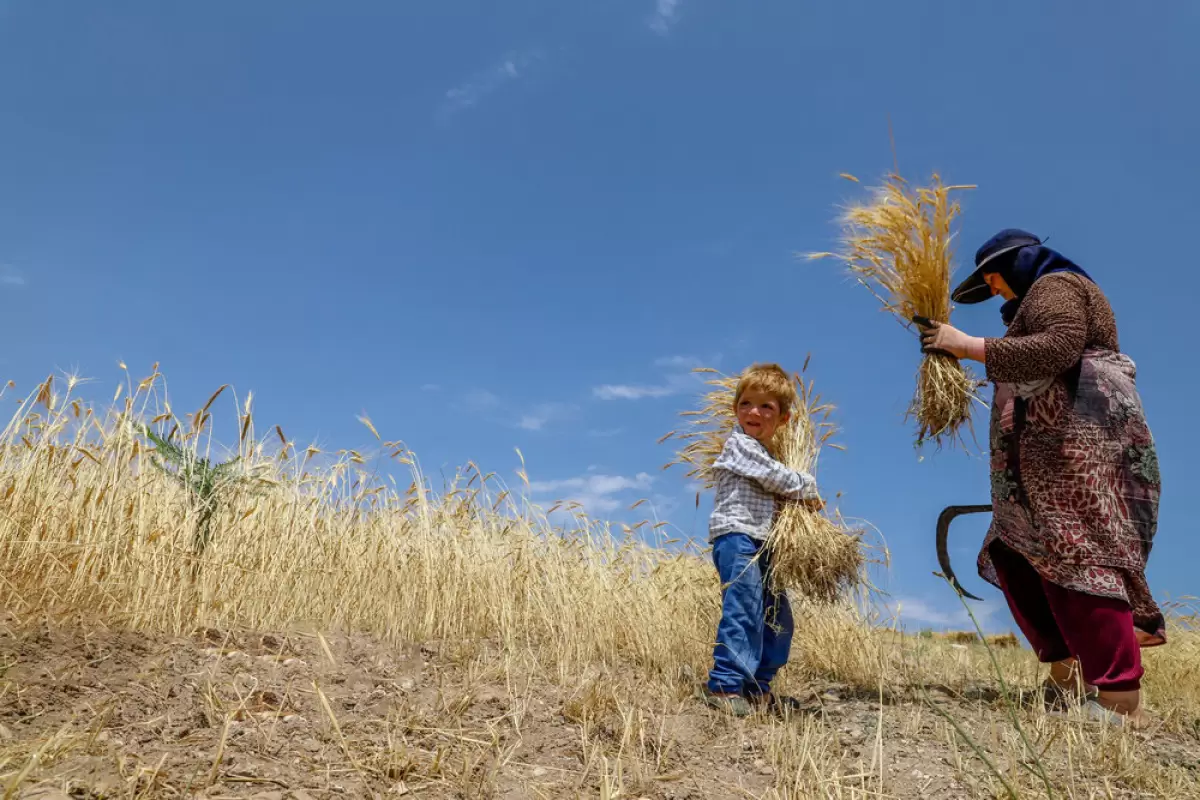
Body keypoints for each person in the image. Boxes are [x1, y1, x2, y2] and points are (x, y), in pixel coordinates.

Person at [920, 229, 1164, 729]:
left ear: (1016, 264)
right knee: (1014, 553)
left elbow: (1059, 348)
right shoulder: (1030, 304)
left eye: (994, 278)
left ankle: (1121, 699)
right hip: (1036, 458)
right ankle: (1067, 672)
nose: (993, 290)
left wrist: (965, 345)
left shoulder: (1056, 284)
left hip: (1076, 451)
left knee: (1079, 553)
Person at [703, 363, 824, 717]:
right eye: (746, 404)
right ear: (735, 409)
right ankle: (725, 686)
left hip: (765, 544)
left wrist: (798, 504)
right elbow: (775, 478)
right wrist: (807, 489)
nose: (754, 412)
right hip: (737, 537)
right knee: (744, 609)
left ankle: (758, 687)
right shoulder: (738, 445)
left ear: (783, 419)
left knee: (777, 617)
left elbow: (777, 487)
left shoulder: (768, 455)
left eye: (766, 406)